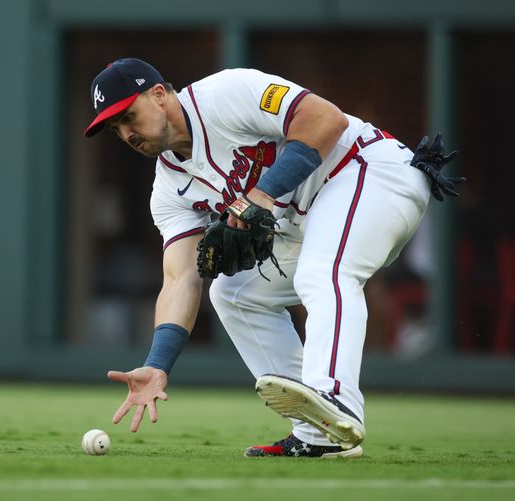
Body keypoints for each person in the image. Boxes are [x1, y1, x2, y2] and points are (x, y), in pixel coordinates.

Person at [84, 58, 461, 458]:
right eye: (115, 127)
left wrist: (262, 194)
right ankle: (321, 431)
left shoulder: (225, 94)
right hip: (310, 220)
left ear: (159, 95)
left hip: (371, 173)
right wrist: (158, 364)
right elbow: (180, 279)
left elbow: (325, 120)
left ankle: (334, 396)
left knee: (321, 271)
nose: (126, 132)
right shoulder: (168, 192)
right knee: (233, 293)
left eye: (128, 115)